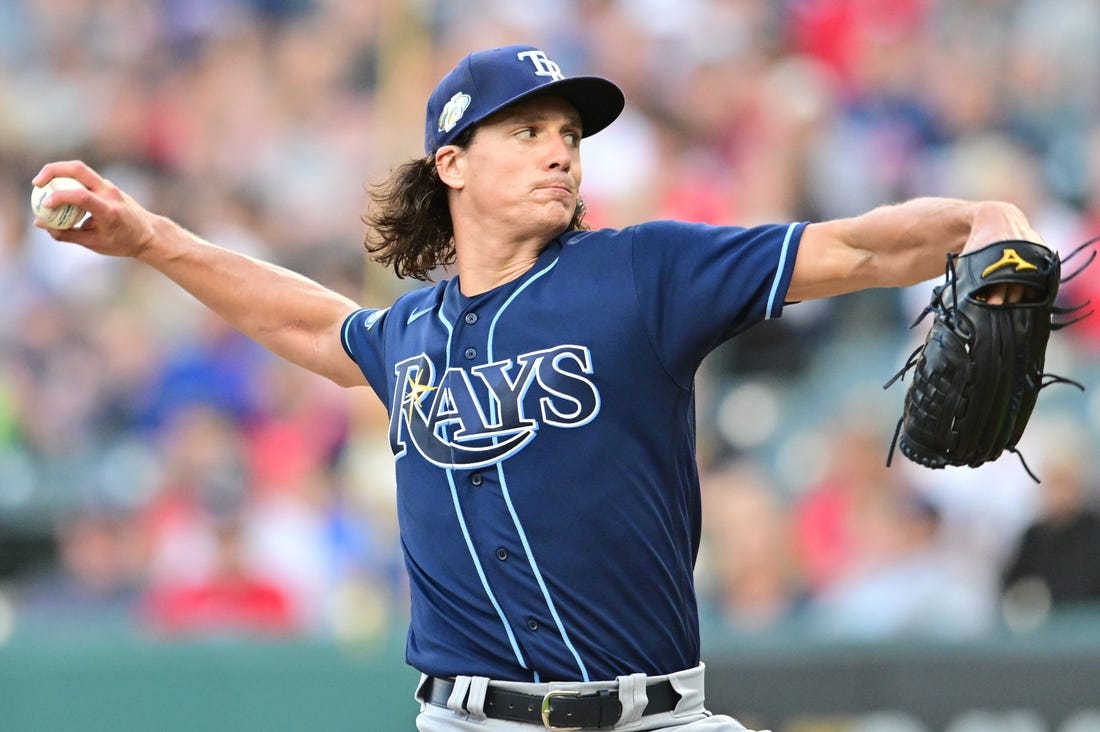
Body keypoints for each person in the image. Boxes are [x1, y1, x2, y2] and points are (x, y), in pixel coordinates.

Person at [34, 44, 1041, 732]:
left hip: (652, 713)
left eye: (567, 130)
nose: (558, 147)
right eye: (524, 131)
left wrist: (980, 215)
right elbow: (311, 323)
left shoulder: (642, 274)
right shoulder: (410, 334)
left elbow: (851, 248)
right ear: (451, 163)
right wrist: (153, 239)